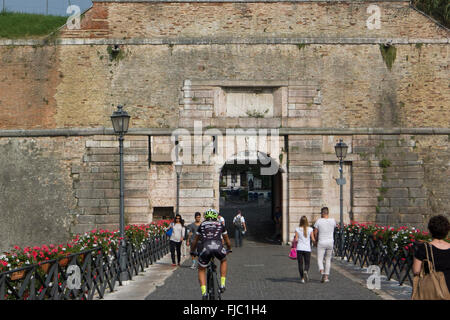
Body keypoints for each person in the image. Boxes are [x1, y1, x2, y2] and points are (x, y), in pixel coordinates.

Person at [190, 208, 232, 300]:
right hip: (218, 247)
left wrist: (192, 251)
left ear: (205, 217)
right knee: (223, 260)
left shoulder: (202, 225)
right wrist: (229, 249)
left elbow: (195, 241)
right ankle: (222, 284)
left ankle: (204, 293)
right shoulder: (220, 224)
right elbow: (227, 240)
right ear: (215, 216)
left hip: (206, 248)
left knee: (201, 269)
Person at [413, 215, 450, 297]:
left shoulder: (424, 248)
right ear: (447, 231)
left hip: (430, 288)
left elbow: (416, 270)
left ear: (430, 231)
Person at [313, 207, 336, 283]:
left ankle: (322, 271)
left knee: (319, 258)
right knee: (328, 259)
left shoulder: (319, 221)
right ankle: (326, 277)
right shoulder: (333, 221)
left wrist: (315, 240)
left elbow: (315, 232)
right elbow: (334, 228)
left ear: (322, 213)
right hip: (330, 242)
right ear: (328, 213)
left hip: (322, 241)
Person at [294, 216, 316, 283]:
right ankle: (306, 271)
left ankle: (302, 278)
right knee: (307, 263)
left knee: (300, 264)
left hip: (299, 248)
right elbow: (313, 239)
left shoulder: (297, 229)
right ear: (307, 221)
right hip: (307, 248)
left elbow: (296, 239)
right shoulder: (310, 229)